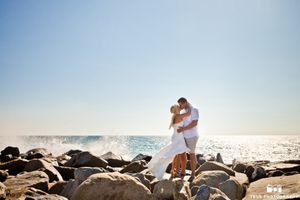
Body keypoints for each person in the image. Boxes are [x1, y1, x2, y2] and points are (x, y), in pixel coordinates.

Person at [147, 105, 190, 180]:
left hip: (177, 136)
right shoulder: (178, 116)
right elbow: (189, 113)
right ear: (177, 109)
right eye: (178, 106)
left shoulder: (174, 116)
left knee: (175, 154)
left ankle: (173, 171)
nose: (180, 107)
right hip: (178, 137)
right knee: (177, 154)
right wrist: (187, 105)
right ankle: (175, 172)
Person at [177, 97, 199, 181]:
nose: (180, 106)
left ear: (185, 102)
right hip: (183, 136)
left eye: (181, 104)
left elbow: (194, 123)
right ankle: (183, 171)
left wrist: (183, 129)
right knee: (182, 153)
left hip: (192, 136)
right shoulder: (184, 111)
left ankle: (193, 174)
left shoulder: (194, 110)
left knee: (192, 154)